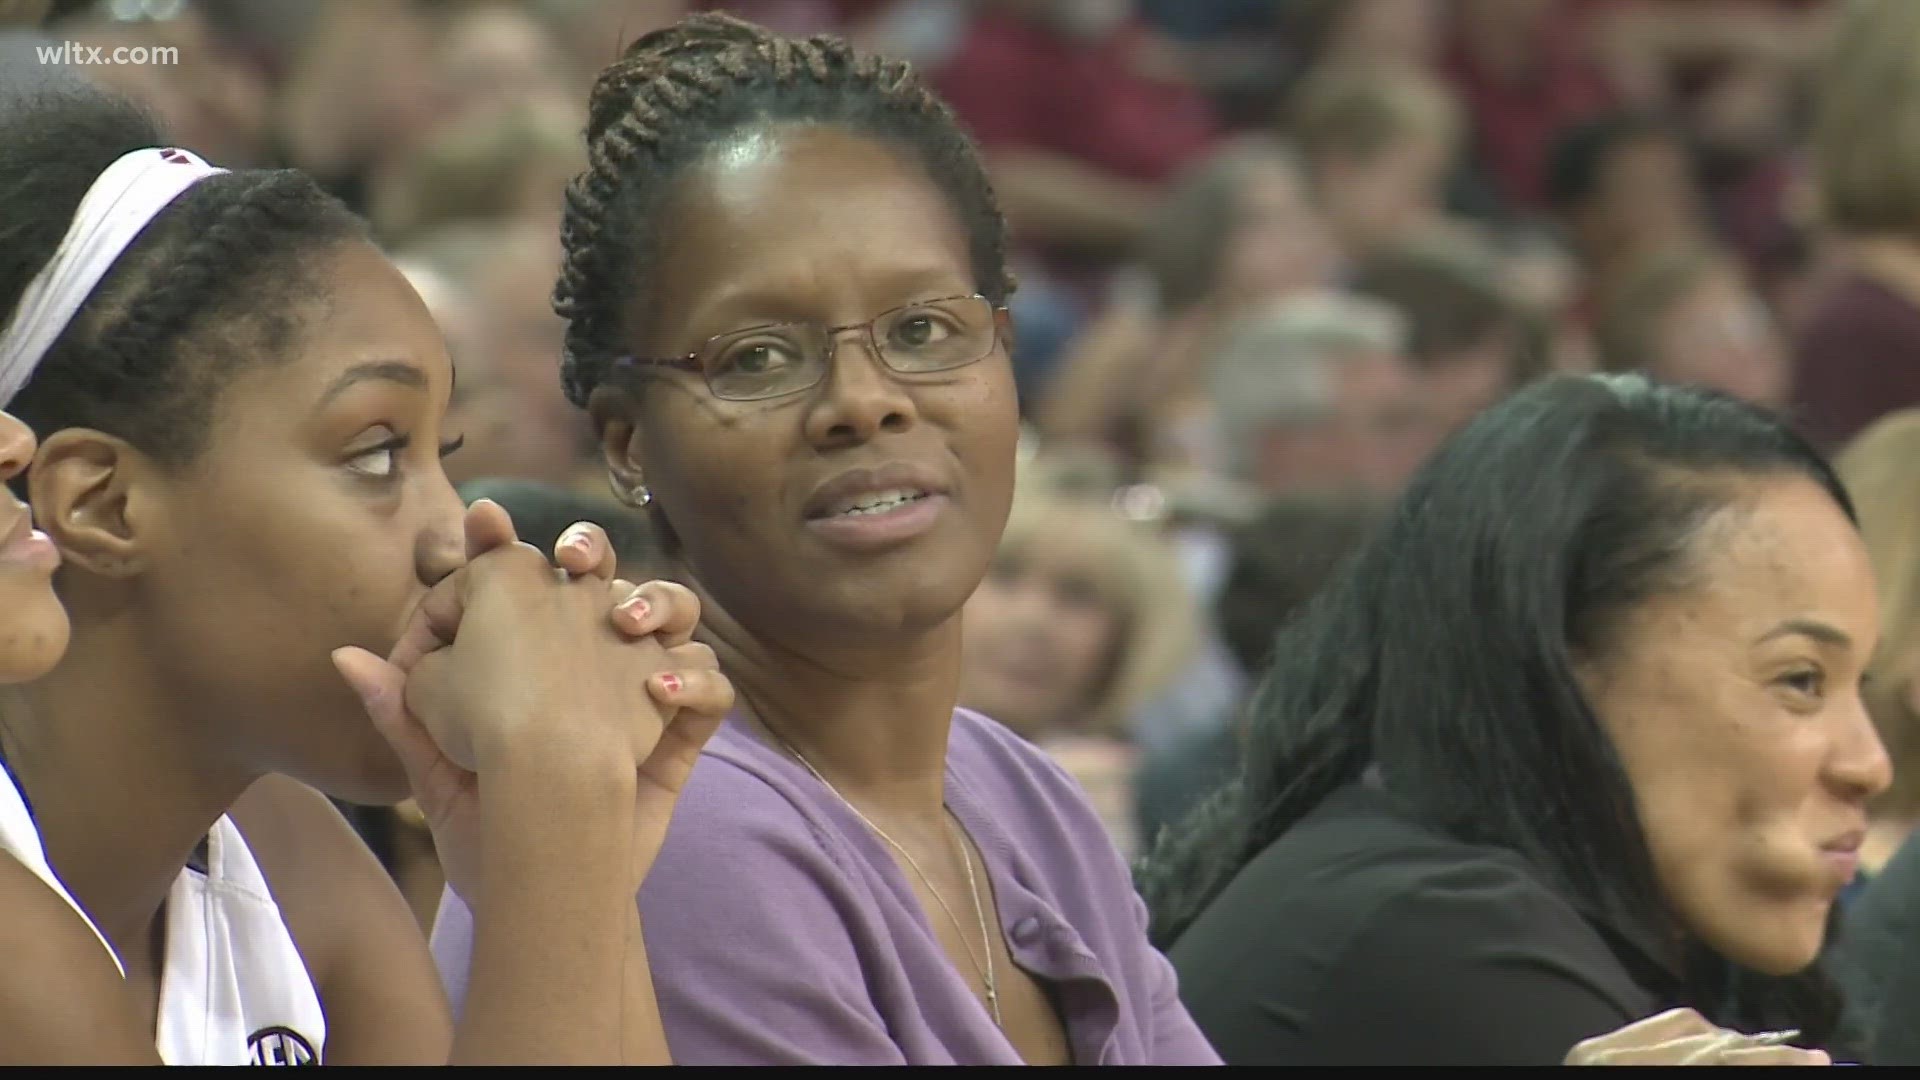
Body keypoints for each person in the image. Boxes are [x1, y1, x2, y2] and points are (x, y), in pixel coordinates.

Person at [430, 12, 1219, 1066]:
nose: (865, 402)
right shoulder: (678, 828)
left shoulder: (1028, 799)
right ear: (626, 442)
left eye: (924, 330)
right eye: (757, 357)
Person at [0, 78, 732, 1064]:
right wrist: (555, 840)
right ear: (100, 504)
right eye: (378, 453)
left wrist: (570, 861)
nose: (463, 535)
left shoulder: (295, 859)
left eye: (447, 451)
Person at [1143, 373, 1882, 1066]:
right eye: (1801, 680)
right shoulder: (1443, 937)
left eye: (1861, 688)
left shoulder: (1426, 877)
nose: (1868, 763)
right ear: (1558, 658)